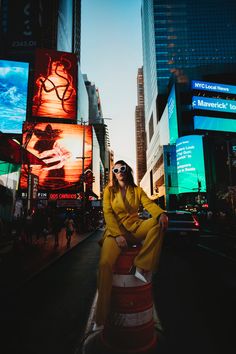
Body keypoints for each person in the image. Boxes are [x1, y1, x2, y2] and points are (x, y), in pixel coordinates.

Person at [94, 160, 168, 330]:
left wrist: (160, 214)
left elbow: (149, 204)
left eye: (122, 169)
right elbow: (108, 213)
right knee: (105, 264)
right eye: (116, 169)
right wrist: (118, 234)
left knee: (158, 225)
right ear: (113, 173)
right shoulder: (109, 191)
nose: (119, 171)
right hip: (114, 233)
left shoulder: (137, 190)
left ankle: (141, 265)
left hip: (135, 228)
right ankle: (101, 313)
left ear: (127, 170)